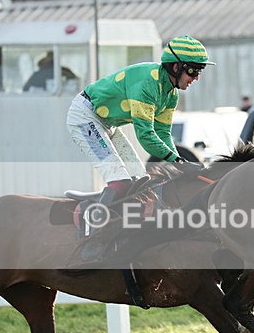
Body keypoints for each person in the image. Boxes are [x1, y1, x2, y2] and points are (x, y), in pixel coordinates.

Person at [66, 35, 214, 206]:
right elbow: (146, 136)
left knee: (140, 179)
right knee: (120, 181)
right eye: (193, 71)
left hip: (106, 123)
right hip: (84, 116)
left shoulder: (171, 94)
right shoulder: (148, 83)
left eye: (199, 72)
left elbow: (163, 135)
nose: (196, 78)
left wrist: (180, 162)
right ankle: (95, 222)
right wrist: (178, 162)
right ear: (176, 67)